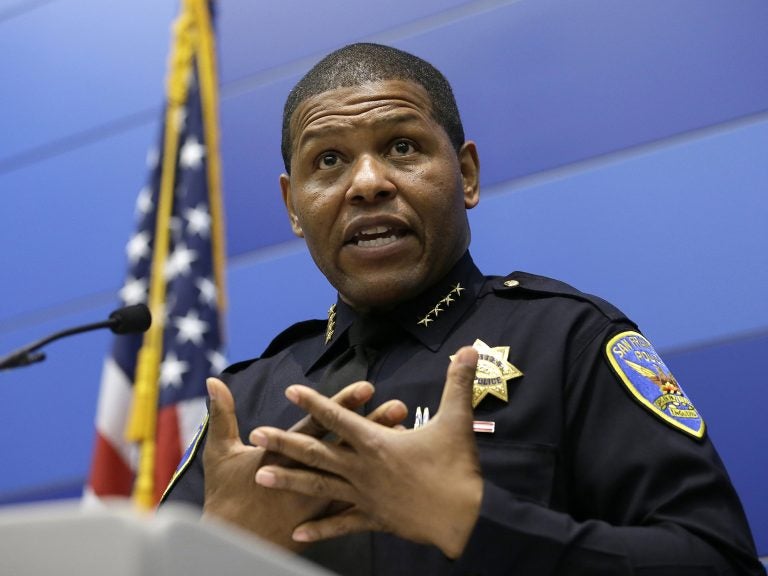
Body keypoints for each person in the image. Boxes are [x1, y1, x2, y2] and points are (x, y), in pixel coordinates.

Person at [162, 43, 765, 575]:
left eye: (402, 147)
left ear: (466, 174)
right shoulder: (243, 405)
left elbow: (721, 561)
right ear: (294, 207)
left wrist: (474, 522)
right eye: (329, 161)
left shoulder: (569, 340)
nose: (367, 183)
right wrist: (211, 556)